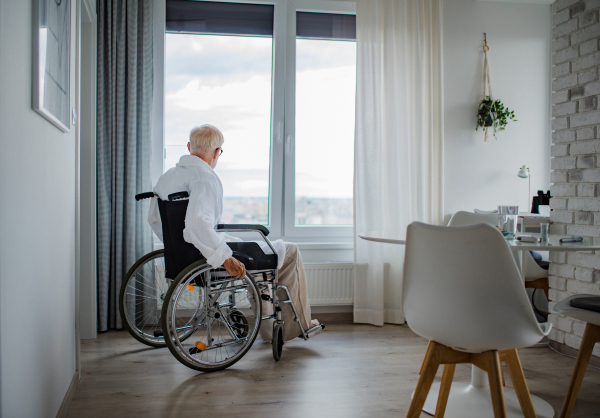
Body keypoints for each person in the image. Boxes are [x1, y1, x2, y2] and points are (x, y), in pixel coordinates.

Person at [148, 124, 318, 341]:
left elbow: (154, 219)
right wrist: (224, 257)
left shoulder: (167, 177)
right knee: (289, 251)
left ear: (189, 146)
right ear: (217, 152)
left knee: (260, 254)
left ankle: (270, 328)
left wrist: (176, 246)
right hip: (209, 256)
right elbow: (197, 224)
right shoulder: (204, 177)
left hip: (183, 257)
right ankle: (296, 327)